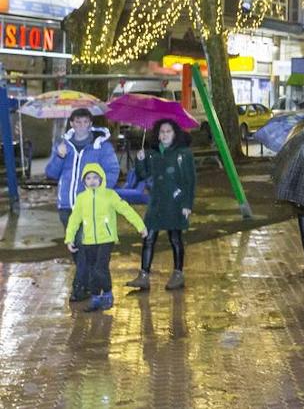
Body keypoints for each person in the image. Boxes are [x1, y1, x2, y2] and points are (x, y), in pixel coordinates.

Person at [46, 108, 120, 302]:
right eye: (77, 122)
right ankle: (92, 282)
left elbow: (112, 171)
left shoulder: (101, 146)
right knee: (76, 249)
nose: (81, 126)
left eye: (84, 122)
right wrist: (59, 156)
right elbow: (52, 173)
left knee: (81, 247)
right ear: (71, 123)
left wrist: (99, 193)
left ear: (90, 123)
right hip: (65, 206)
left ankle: (79, 288)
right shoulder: (63, 145)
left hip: (89, 207)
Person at [64, 162, 147, 311]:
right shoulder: (82, 198)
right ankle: (96, 297)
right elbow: (74, 219)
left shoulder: (110, 195)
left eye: (95, 177)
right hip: (88, 240)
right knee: (92, 269)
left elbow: (126, 210)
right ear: (84, 181)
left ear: (101, 178)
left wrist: (140, 225)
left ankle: (108, 294)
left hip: (106, 239)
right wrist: (69, 238)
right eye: (88, 178)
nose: (92, 181)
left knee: (100, 268)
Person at [126, 119, 196, 291]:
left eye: (168, 131)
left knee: (175, 238)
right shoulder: (152, 153)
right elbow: (143, 175)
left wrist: (187, 204)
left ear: (174, 134)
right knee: (148, 238)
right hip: (156, 203)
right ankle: (144, 275)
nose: (164, 135)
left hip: (175, 202)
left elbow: (190, 180)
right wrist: (140, 160)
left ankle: (178, 274)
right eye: (162, 132)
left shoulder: (184, 153)